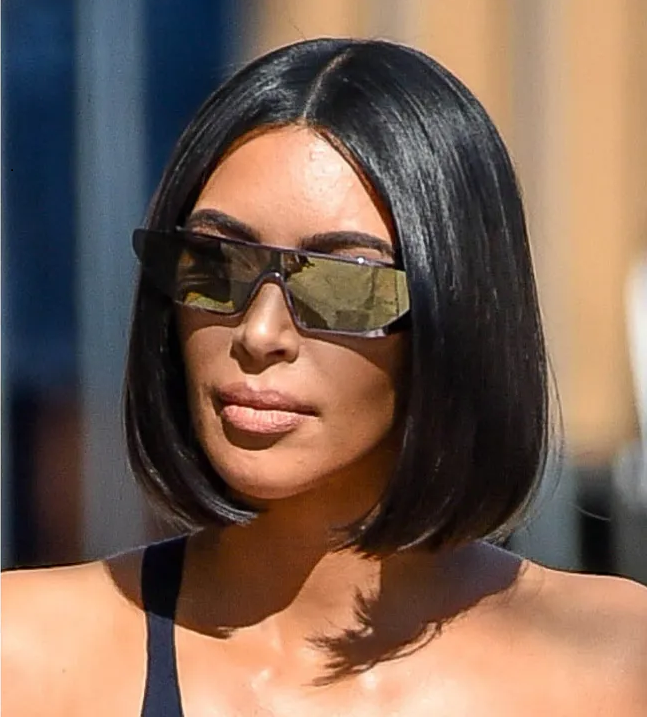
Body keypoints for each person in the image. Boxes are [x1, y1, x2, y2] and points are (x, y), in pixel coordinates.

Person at [2, 37, 646, 716]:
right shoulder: (29, 657)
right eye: (215, 263)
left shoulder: (616, 664)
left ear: (458, 307)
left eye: (343, 282)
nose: (260, 333)